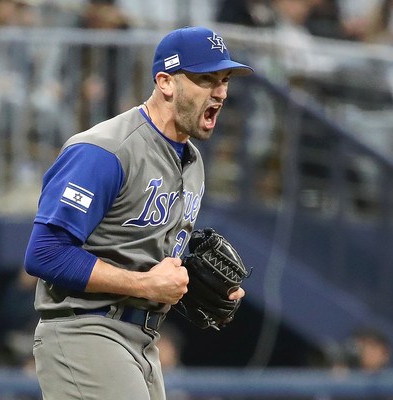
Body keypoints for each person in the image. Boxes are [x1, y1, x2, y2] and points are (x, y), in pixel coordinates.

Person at [23, 26, 252, 400]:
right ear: (165, 82)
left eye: (224, 80)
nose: (221, 92)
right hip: (86, 331)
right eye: (206, 78)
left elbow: (140, 253)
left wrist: (192, 283)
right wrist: (145, 285)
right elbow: (44, 253)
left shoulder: (191, 160)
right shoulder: (105, 150)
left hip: (143, 339)